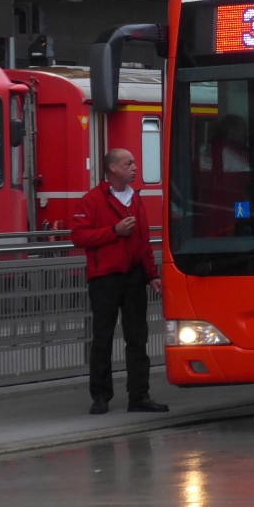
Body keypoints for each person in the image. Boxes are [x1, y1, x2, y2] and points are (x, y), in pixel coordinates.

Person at [72, 148, 169, 415]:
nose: (135, 167)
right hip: (105, 278)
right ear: (112, 168)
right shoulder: (92, 200)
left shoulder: (136, 200)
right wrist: (113, 232)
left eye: (134, 163)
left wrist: (152, 275)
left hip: (134, 277)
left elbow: (144, 242)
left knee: (137, 337)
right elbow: (79, 236)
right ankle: (100, 396)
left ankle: (139, 395)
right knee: (102, 337)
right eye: (129, 163)